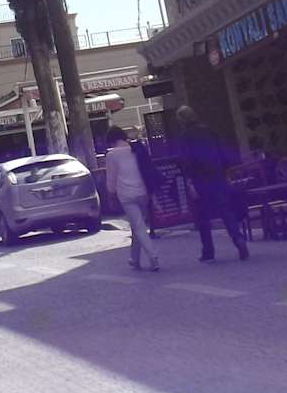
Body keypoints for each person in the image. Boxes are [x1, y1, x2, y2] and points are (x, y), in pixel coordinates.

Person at [174, 104, 248, 263]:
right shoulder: (208, 131)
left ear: (181, 120)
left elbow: (185, 161)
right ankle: (238, 239)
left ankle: (208, 251)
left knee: (202, 217)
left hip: (199, 178)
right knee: (225, 211)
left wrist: (189, 180)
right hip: (217, 175)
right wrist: (226, 171)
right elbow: (222, 151)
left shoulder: (184, 136)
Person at [106, 126, 161, 272]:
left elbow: (111, 179)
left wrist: (111, 196)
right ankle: (134, 259)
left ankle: (153, 257)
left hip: (126, 195)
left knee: (138, 226)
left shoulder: (112, 155)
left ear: (111, 140)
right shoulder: (136, 149)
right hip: (143, 191)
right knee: (137, 226)